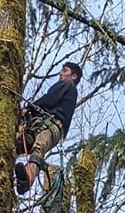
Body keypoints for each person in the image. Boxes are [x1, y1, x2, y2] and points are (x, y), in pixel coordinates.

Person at [15, 61, 83, 196]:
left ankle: (28, 177)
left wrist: (30, 107)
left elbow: (49, 100)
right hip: (39, 125)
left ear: (74, 76)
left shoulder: (68, 85)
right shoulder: (65, 88)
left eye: (65, 71)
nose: (60, 73)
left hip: (52, 126)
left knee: (39, 147)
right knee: (17, 144)